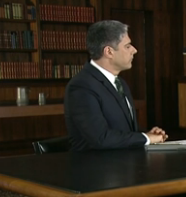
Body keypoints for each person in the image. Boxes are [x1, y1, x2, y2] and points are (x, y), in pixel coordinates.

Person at [65, 20, 168, 151]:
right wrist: (145, 138)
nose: (134, 50)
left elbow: (123, 129)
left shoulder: (120, 83)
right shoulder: (81, 87)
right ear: (109, 52)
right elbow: (101, 138)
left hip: (126, 164)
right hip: (96, 168)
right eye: (127, 46)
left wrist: (148, 134)